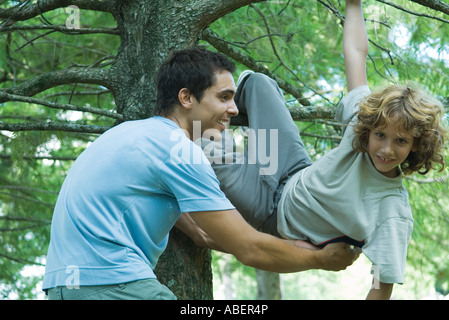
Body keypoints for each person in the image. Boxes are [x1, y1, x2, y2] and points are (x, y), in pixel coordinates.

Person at [42, 48, 360, 300]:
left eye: (235, 98)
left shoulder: (131, 133)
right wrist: (320, 260)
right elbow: (250, 249)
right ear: (186, 98)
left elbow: (132, 193)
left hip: (63, 284)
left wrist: (191, 226)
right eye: (223, 97)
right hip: (112, 283)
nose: (234, 109)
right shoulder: (181, 151)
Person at [198, 1, 447, 300]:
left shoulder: (391, 210)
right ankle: (242, 149)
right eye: (380, 135)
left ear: (417, 146)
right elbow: (356, 54)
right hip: (286, 168)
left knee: (201, 146)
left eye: (401, 141)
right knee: (258, 83)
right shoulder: (361, 125)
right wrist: (353, 3)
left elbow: (382, 288)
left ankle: (219, 147)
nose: (386, 149)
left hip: (269, 213)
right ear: (369, 129)